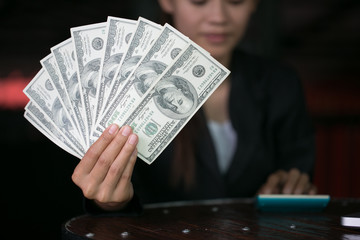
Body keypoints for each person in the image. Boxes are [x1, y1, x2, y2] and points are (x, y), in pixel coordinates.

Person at [71, 0, 317, 214]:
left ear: (254, 3)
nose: (219, 17)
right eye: (199, 1)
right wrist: (110, 203)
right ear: (167, 1)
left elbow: (298, 172)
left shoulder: (281, 83)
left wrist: (290, 186)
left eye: (236, 1)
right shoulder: (120, 86)